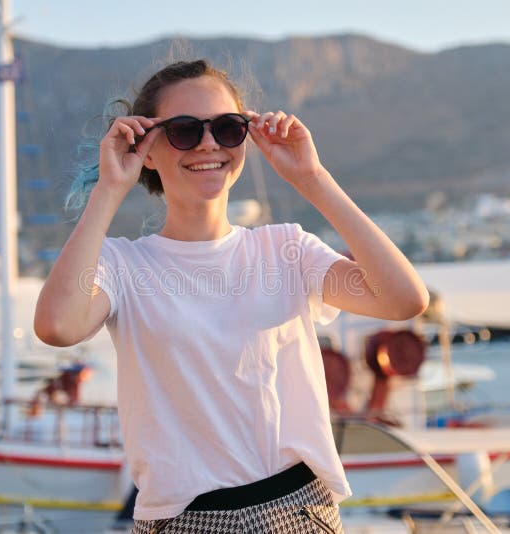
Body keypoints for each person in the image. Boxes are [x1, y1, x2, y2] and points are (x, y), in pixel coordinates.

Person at [34, 59, 428, 533]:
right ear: (148, 150)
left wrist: (311, 179)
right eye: (183, 130)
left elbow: (404, 300)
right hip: (181, 521)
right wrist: (110, 190)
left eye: (227, 128)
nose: (208, 144)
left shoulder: (286, 250)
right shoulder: (123, 267)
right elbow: (58, 326)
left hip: (296, 513)